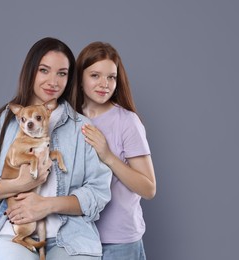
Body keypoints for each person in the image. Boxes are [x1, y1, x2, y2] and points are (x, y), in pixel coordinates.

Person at [0, 37, 112, 260]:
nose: (53, 81)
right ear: (31, 71)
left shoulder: (81, 128)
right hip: (9, 232)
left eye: (62, 73)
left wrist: (46, 205)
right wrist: (20, 184)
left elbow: (98, 192)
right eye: (44, 70)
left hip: (71, 237)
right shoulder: (1, 123)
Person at [75, 42, 156, 260]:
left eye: (111, 77)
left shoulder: (127, 122)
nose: (104, 84)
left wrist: (108, 156)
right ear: (80, 79)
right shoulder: (68, 118)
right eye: (95, 75)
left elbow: (148, 189)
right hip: (77, 241)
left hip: (119, 243)